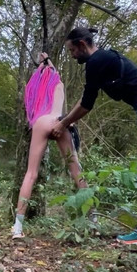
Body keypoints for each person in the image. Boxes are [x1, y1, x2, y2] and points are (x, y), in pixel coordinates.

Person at [50, 27, 137, 256]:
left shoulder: (97, 60)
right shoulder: (102, 61)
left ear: (83, 44)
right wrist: (66, 120)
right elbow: (86, 101)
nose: (72, 55)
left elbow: (87, 103)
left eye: (72, 50)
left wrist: (63, 123)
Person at [13, 53, 88, 239]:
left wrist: (42, 63)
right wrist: (47, 61)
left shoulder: (33, 88)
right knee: (77, 171)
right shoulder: (59, 83)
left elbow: (45, 72)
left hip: (41, 122)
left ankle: (17, 227)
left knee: (31, 174)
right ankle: (93, 219)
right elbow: (54, 72)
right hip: (59, 121)